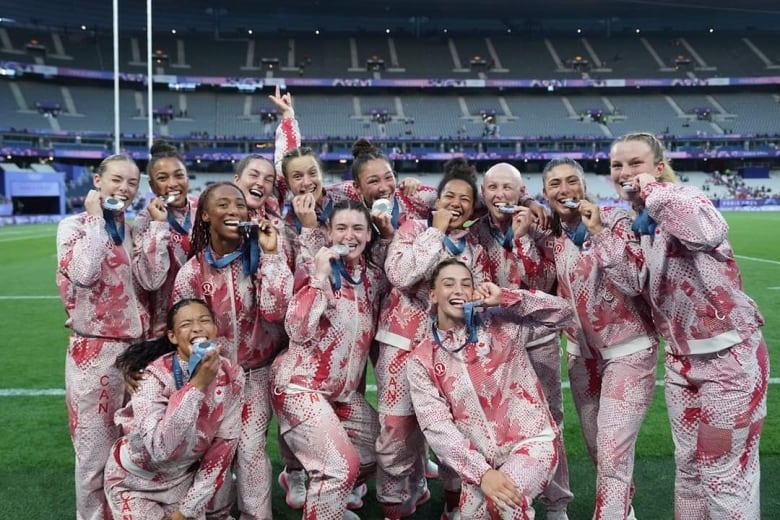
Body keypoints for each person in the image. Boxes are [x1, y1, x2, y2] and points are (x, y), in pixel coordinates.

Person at [609, 132, 769, 519]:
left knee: (723, 471)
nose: (625, 172)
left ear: (659, 168)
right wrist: (604, 234)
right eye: (617, 165)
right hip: (682, 363)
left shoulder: (686, 199)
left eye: (636, 164)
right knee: (690, 469)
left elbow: (708, 233)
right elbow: (631, 285)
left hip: (729, 356)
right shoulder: (640, 224)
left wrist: (653, 191)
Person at [538, 157, 659, 520]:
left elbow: (633, 281)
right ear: (545, 193)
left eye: (571, 181)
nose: (564, 190)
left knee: (611, 449)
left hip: (629, 351)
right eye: (555, 184)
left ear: (584, 186)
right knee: (597, 447)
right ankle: (623, 505)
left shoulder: (614, 220)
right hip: (582, 357)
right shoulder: (552, 235)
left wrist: (599, 233)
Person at [407, 259, 574, 519]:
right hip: (482, 461)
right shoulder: (422, 358)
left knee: (503, 506)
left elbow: (564, 313)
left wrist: (506, 297)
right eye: (448, 284)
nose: (458, 290)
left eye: (466, 284)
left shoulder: (504, 322)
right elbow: (437, 427)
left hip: (532, 442)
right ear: (433, 295)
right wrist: (482, 473)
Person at [172, 182, 294, 520]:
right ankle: (219, 512)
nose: (234, 211)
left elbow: (279, 310)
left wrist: (270, 256)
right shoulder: (192, 273)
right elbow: (182, 332)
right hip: (215, 376)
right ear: (206, 215)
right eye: (223, 205)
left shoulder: (261, 256)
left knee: (252, 450)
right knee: (216, 451)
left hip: (258, 373)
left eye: (239, 205)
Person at [377, 159, 489, 520]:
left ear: (474, 209)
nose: (456, 203)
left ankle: (454, 504)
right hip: (401, 345)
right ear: (437, 200)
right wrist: (434, 232)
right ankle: (395, 504)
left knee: (457, 429)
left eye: (465, 199)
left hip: (450, 350)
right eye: (450, 195)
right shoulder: (411, 229)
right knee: (396, 428)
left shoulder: (476, 251)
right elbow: (400, 275)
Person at [271, 200, 390, 520]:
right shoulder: (312, 267)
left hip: (342, 394)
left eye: (357, 228)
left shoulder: (374, 278)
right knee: (341, 468)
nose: (349, 235)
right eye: (341, 227)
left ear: (368, 234)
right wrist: (319, 279)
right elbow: (296, 329)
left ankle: (328, 502)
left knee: (383, 451)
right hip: (299, 386)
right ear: (328, 231)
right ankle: (322, 499)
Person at [471, 162, 573, 519]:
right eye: (492, 188)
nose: (500, 195)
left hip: (539, 338)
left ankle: (556, 502)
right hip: (496, 344)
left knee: (552, 420)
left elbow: (547, 281)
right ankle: (498, 486)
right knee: (492, 420)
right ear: (482, 194)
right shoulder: (474, 234)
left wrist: (523, 240)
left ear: (520, 192)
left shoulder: (540, 229)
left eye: (508, 188)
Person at [56, 154, 148, 520]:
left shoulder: (135, 228)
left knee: (132, 446)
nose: (123, 189)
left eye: (131, 183)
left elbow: (152, 281)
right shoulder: (74, 225)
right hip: (93, 350)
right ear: (98, 181)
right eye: (116, 180)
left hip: (136, 352)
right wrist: (96, 220)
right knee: (93, 452)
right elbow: (83, 273)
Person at [105, 299, 244, 520]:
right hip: (135, 482)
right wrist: (197, 384)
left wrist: (186, 512)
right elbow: (161, 448)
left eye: (205, 320)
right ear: (172, 337)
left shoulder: (232, 376)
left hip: (181, 482)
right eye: (186, 324)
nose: (197, 328)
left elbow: (222, 451)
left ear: (215, 329)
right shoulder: (151, 377)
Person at [133, 141, 197, 339]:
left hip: (206, 318)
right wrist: (159, 225)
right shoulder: (145, 220)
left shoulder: (204, 208)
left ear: (187, 177)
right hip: (165, 326)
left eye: (179, 175)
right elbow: (150, 281)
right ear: (152, 185)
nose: (172, 183)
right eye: (163, 178)